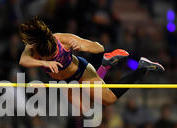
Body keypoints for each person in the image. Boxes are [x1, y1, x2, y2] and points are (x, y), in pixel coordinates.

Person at [19, 17, 164, 110]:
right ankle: (105, 65)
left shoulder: (64, 40)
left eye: (53, 55)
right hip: (64, 82)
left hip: (81, 72)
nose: (49, 58)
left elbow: (99, 47)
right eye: (46, 57)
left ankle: (142, 68)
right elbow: (23, 61)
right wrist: (44, 64)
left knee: (109, 100)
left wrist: (83, 46)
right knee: (87, 108)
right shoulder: (32, 47)